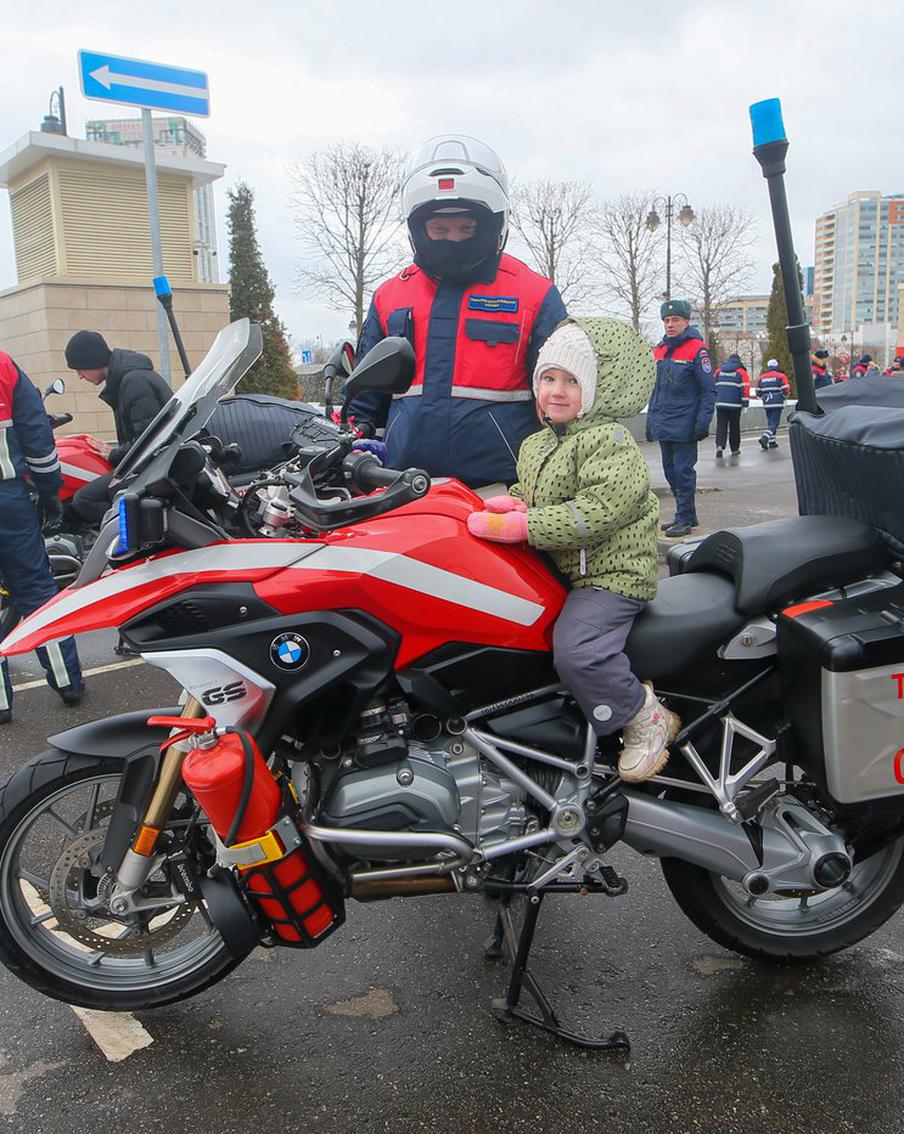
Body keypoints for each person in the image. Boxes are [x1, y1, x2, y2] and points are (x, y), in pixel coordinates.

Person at [464, 317, 679, 782]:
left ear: (597, 389)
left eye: (572, 381)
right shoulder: (537, 442)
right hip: (568, 567)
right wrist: (514, 501)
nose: (556, 391)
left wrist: (525, 525)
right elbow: (538, 491)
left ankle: (642, 715)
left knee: (577, 649)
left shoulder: (609, 440)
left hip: (611, 574)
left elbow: (599, 510)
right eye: (548, 378)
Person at [347, 134, 567, 489]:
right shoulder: (390, 295)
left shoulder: (534, 294)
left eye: (466, 228)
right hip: (404, 483)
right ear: (419, 229)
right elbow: (366, 395)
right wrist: (355, 440)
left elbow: (564, 394)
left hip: (503, 485)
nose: (453, 238)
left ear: (492, 226)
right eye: (440, 229)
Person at [0, 350, 83, 723]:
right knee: (37, 592)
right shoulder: (3, 365)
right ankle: (68, 684)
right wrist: (51, 491)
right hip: (7, 499)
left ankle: (0, 705)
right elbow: (36, 435)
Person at [64, 331, 171, 524]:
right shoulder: (128, 378)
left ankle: (133, 537)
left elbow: (149, 440)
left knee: (84, 500)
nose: (80, 376)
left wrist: (113, 454)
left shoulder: (134, 382)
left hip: (153, 467)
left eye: (79, 369)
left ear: (92, 361)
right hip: (153, 464)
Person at [647, 299, 715, 538]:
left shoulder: (697, 350)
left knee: (683, 471)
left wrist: (702, 422)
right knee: (669, 472)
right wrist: (650, 421)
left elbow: (708, 391)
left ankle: (684, 517)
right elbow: (655, 390)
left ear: (686, 321)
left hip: (685, 424)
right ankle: (688, 514)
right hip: (665, 422)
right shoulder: (660, 350)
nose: (670, 324)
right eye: (666, 320)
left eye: (675, 320)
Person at [712, 352, 750, 459]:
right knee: (734, 427)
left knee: (721, 425)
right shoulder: (741, 372)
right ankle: (735, 449)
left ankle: (720, 446)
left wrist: (714, 399)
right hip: (735, 405)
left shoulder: (719, 371)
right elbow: (745, 389)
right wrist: (745, 404)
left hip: (721, 404)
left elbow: (712, 386)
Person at [756, 358, 791, 450]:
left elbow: (758, 392)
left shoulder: (761, 377)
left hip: (766, 402)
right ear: (776, 366)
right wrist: (783, 396)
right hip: (777, 402)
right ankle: (765, 438)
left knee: (770, 422)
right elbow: (786, 389)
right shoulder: (781, 376)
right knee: (775, 422)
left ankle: (772, 442)